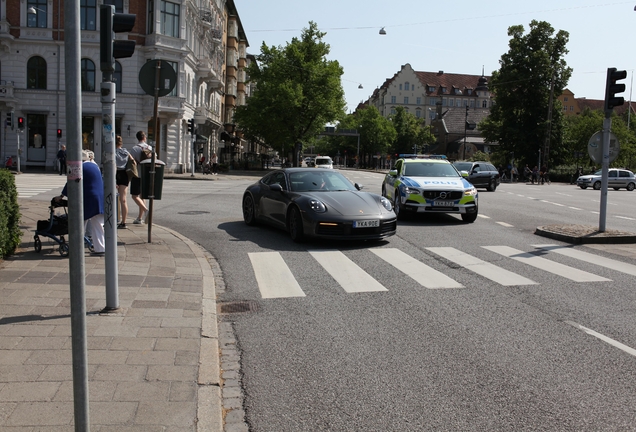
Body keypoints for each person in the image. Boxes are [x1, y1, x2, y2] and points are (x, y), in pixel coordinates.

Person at [55, 149, 105, 255]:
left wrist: (61, 196)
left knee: (79, 224)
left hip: (88, 199)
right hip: (99, 198)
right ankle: (100, 249)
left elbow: (70, 183)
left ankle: (76, 249)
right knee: (98, 225)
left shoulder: (80, 167)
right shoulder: (94, 166)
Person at [128, 131, 151, 224]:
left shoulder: (134, 149)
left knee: (134, 196)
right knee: (143, 196)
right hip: (147, 174)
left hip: (137, 174)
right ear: (144, 137)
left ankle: (146, 210)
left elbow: (131, 162)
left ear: (137, 138)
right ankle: (140, 218)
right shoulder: (149, 147)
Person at [115, 135, 132, 229]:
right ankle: (123, 222)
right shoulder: (126, 152)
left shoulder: (112, 152)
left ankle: (112, 218)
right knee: (123, 199)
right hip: (124, 174)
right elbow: (132, 160)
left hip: (116, 173)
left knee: (111, 198)